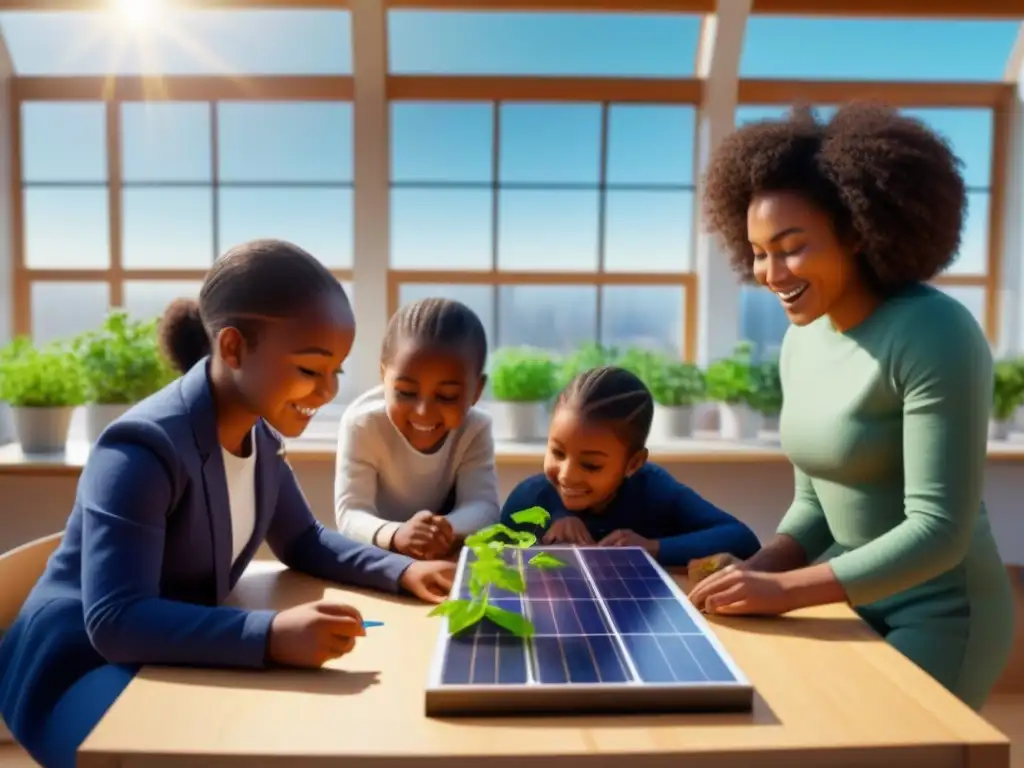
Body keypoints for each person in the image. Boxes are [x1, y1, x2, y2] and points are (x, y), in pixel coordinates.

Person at [0, 240, 456, 768]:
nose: (328, 390)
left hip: (168, 647)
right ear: (234, 349)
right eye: (311, 369)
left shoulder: (258, 438)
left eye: (336, 370)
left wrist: (402, 572)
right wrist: (267, 634)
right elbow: (115, 619)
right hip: (80, 667)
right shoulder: (140, 449)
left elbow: (303, 539)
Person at [687, 103, 1015, 711]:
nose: (769, 273)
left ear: (857, 230)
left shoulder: (936, 331)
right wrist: (751, 573)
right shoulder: (802, 337)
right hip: (847, 602)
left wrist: (783, 590)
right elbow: (814, 506)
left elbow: (938, 530)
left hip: (944, 614)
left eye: (790, 248)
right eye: (758, 252)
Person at [500, 366, 761, 567]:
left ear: (633, 463)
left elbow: (742, 539)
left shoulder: (654, 490)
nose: (567, 475)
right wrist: (556, 516)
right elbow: (492, 560)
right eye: (557, 452)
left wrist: (652, 547)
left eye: (591, 465)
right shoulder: (529, 499)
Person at [334, 298, 499, 560]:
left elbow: (484, 507)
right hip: (378, 555)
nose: (423, 411)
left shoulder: (475, 428)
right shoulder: (362, 424)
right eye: (406, 392)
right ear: (383, 376)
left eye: (446, 396)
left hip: (442, 553)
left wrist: (440, 530)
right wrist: (397, 534)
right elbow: (350, 513)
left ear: (476, 391)